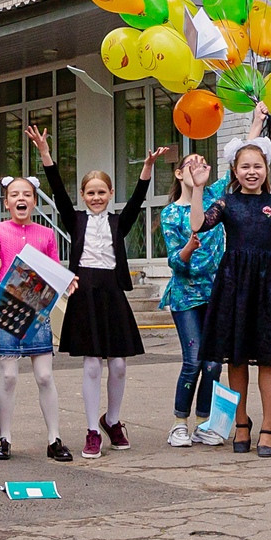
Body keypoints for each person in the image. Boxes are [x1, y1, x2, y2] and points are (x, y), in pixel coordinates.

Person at [199, 123, 271, 457]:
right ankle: (242, 423)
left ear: (267, 170)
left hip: (269, 285)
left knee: (268, 358)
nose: (252, 172)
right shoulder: (226, 203)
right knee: (236, 358)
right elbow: (198, 224)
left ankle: (268, 428)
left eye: (257, 166)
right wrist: (194, 189)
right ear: (235, 170)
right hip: (234, 283)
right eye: (245, 166)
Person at [45, 143, 164, 459]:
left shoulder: (117, 223)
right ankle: (92, 431)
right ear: (83, 196)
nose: (96, 197)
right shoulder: (76, 220)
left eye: (102, 192)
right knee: (92, 366)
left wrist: (148, 167)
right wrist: (46, 155)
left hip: (112, 294)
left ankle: (111, 421)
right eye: (90, 193)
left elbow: (138, 199)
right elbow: (57, 191)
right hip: (85, 294)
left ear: (110, 194)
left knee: (120, 365)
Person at [0, 127, 70, 462]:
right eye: (16, 194)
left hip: (36, 302)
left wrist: (66, 283)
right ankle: (4, 438)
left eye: (28, 194)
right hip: (7, 299)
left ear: (34, 201)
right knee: (8, 374)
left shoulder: (46, 233)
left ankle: (54, 437)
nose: (22, 199)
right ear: (7, 201)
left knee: (45, 374)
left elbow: (55, 268)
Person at [159, 151, 228, 448]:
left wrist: (255, 120)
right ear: (179, 173)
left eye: (204, 162)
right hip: (186, 295)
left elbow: (243, 160)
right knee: (194, 360)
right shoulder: (171, 214)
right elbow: (176, 262)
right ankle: (178, 424)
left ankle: (204, 423)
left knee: (213, 363)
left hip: (217, 291)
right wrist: (189, 246)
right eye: (192, 163)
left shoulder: (214, 196)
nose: (199, 166)